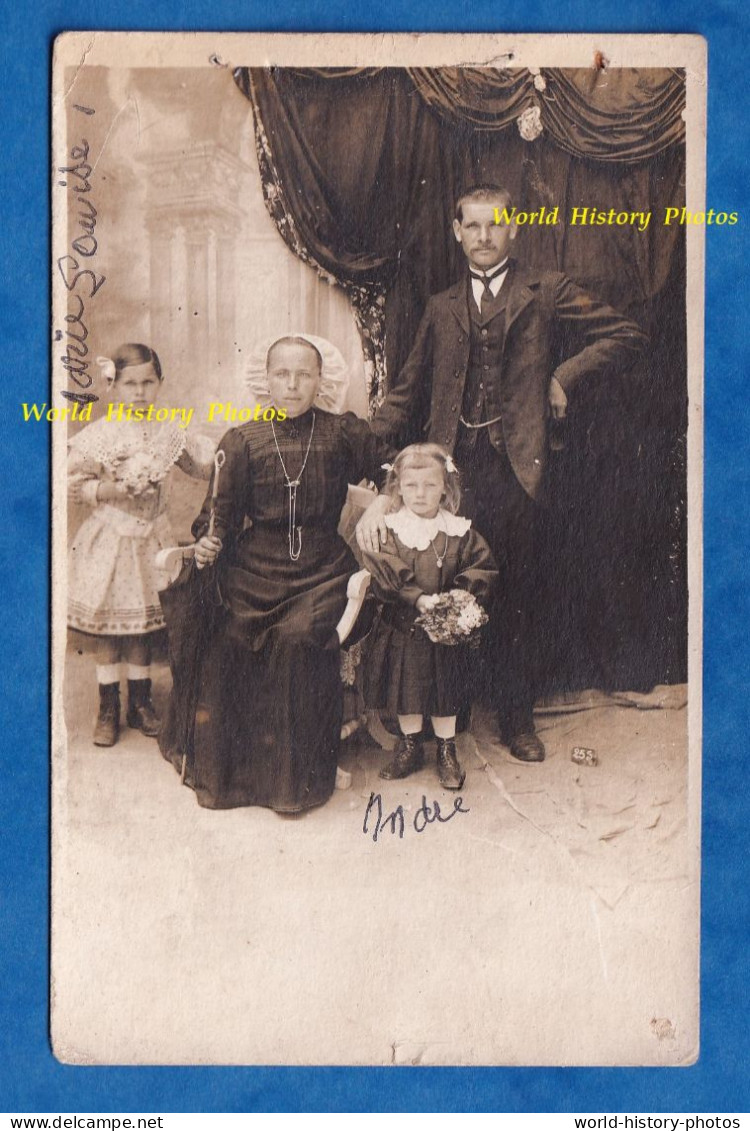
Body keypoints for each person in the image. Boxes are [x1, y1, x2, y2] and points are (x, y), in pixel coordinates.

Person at [358, 184, 649, 763]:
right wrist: (361, 448)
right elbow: (407, 392)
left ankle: (517, 718)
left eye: (495, 225)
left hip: (519, 470)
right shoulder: (441, 306)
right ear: (457, 231)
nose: (484, 236)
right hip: (450, 476)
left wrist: (563, 376)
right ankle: (449, 714)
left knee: (514, 593)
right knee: (441, 590)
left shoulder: (546, 290)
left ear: (514, 229)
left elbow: (625, 334)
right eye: (473, 226)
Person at [159, 334, 395, 813]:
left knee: (294, 640)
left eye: (303, 374)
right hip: (252, 569)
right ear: (266, 381)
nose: (292, 385)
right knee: (226, 638)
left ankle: (293, 784)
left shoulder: (344, 431)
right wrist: (208, 540)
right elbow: (217, 513)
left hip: (323, 573)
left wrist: (383, 502)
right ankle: (233, 776)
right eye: (282, 375)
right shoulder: (241, 439)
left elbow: (393, 469)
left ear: (319, 379)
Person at [67, 342, 214, 747]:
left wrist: (228, 454)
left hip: (151, 539)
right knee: (111, 630)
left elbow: (199, 465)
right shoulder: (101, 434)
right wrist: (115, 487)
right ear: (114, 386)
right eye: (130, 384)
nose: (139, 392)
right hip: (112, 539)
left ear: (160, 384)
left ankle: (141, 702)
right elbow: (74, 485)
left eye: (148, 383)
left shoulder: (169, 432)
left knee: (141, 629)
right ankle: (108, 706)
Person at [361, 443, 497, 790]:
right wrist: (417, 598)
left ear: (445, 489)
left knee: (444, 688)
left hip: (445, 632)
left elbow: (481, 567)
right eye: (411, 486)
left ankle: (446, 748)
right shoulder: (390, 530)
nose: (420, 494)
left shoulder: (459, 532)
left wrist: (459, 596)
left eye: (430, 486)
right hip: (403, 627)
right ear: (398, 488)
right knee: (406, 688)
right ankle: (409, 745)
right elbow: (384, 571)